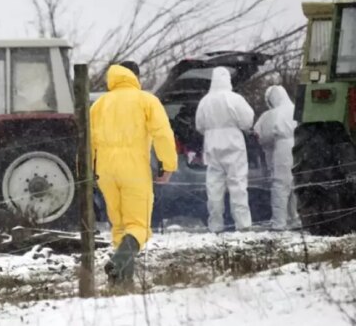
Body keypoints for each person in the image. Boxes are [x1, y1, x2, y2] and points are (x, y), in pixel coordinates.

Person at [90, 61, 177, 286]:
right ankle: (118, 262)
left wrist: (86, 171)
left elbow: (87, 142)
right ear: (135, 76)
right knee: (139, 226)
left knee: (119, 225)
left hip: (105, 171)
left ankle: (122, 281)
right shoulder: (146, 100)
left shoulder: (99, 104)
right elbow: (162, 134)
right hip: (134, 168)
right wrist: (167, 165)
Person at [195, 67, 255, 233]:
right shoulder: (234, 99)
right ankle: (243, 225)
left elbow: (199, 125)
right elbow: (247, 121)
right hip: (233, 143)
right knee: (238, 184)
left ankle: (215, 225)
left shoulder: (205, 101)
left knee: (214, 187)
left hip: (212, 145)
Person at [254, 85, 301, 230]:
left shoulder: (272, 115)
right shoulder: (297, 109)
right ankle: (295, 218)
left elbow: (262, 136)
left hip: (282, 149)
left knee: (280, 185)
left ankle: (279, 222)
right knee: (295, 185)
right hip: (300, 145)